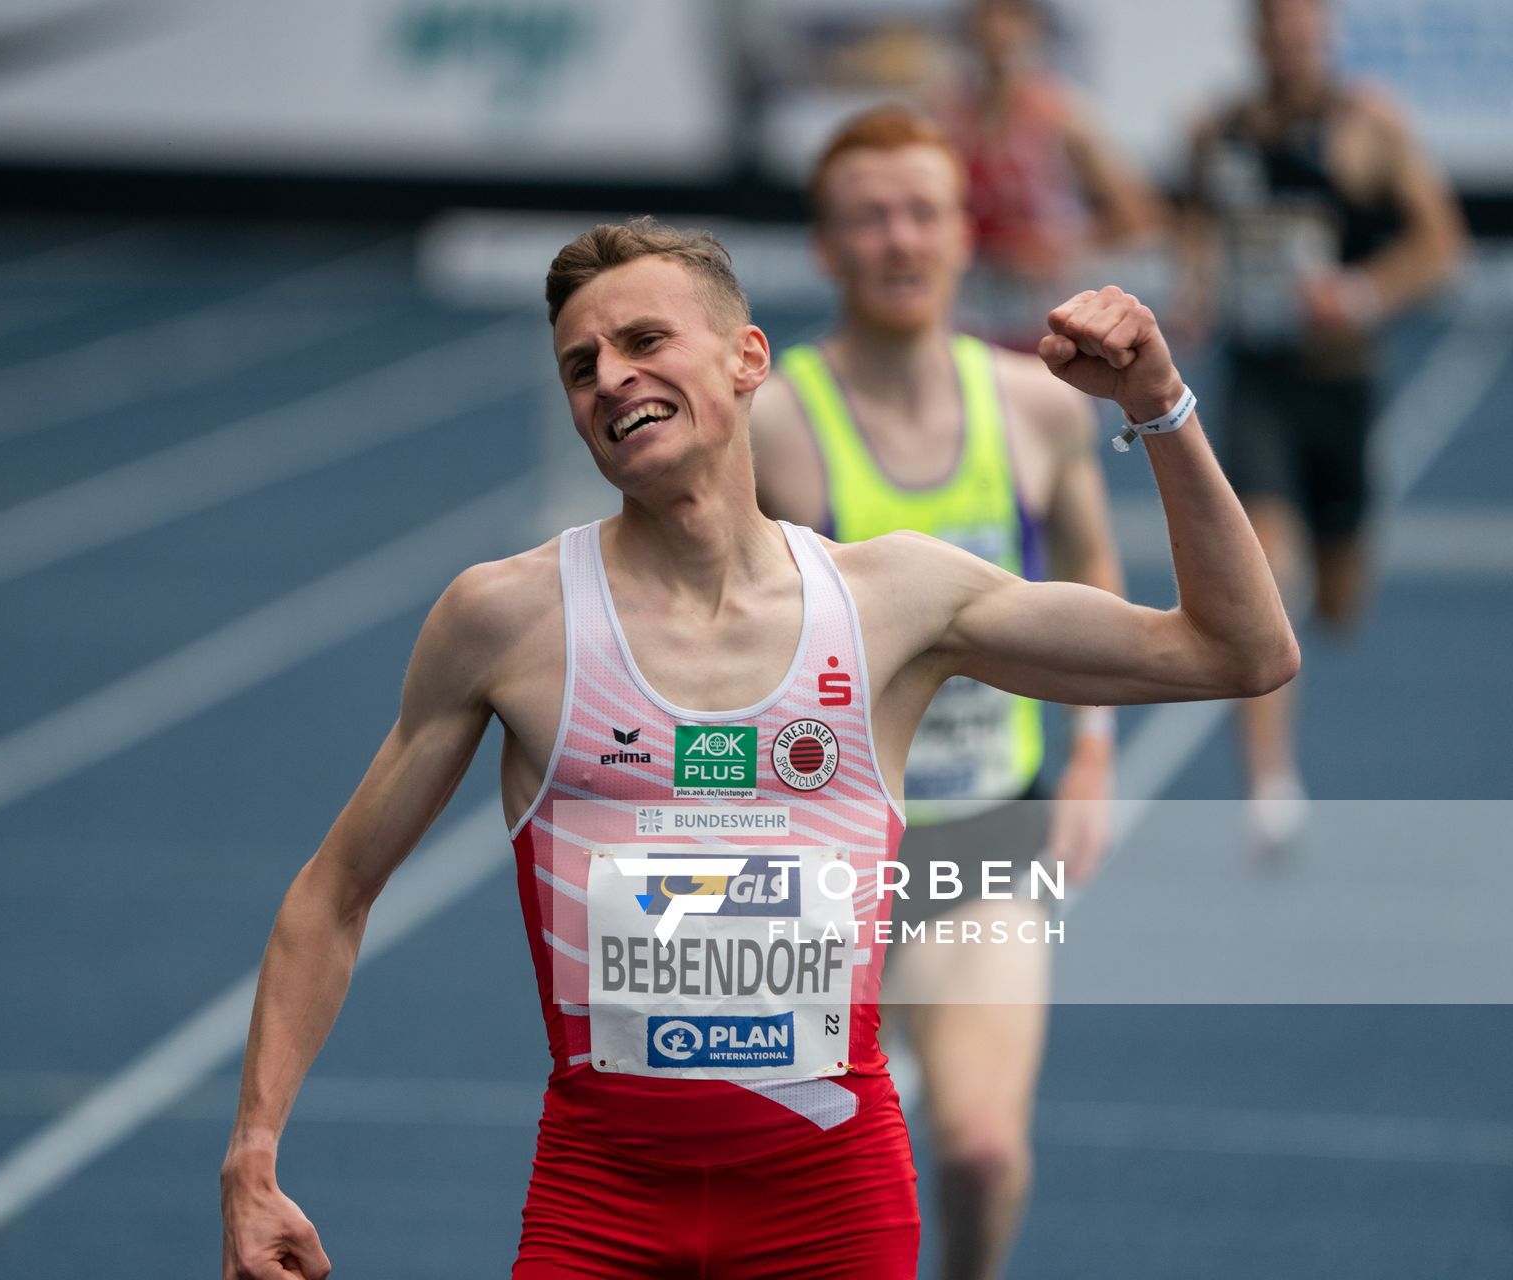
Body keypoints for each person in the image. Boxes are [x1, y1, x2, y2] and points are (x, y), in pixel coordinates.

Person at [220, 216, 1297, 1279]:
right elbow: (332, 893)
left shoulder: (891, 600)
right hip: (600, 1207)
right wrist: (252, 1159)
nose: (610, 376)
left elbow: (1240, 650)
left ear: (747, 359)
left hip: (831, 1209)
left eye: (645, 340)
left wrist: (1159, 403)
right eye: (580, 365)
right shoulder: (510, 619)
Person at [749, 105, 1121, 1280]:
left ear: (965, 233)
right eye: (869, 217)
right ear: (826, 245)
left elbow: (1093, 571)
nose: (900, 239)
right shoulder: (770, 428)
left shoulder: (1037, 406)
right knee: (790, 1181)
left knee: (978, 1152)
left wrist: (1093, 752)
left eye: (923, 212)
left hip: (984, 831)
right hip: (814, 844)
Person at [1183, 0, 1465, 852]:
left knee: (1338, 604)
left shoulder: (1370, 128)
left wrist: (1363, 295)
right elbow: (1194, 228)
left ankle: (1329, 565)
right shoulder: (1220, 133)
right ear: (1259, 41)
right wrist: (1197, 286)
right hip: (1258, 381)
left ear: (1327, 39)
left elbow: (1441, 243)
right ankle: (1272, 786)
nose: (1298, 51)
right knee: (1269, 571)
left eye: (1311, 36)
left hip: (1342, 385)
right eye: (1283, 36)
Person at [938, 0, 1160, 350]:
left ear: (1032, 29)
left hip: (1047, 322)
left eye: (1010, 16)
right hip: (968, 323)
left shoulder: (1062, 115)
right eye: (987, 16)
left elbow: (1138, 215)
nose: (996, 30)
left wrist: (1061, 249)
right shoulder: (948, 117)